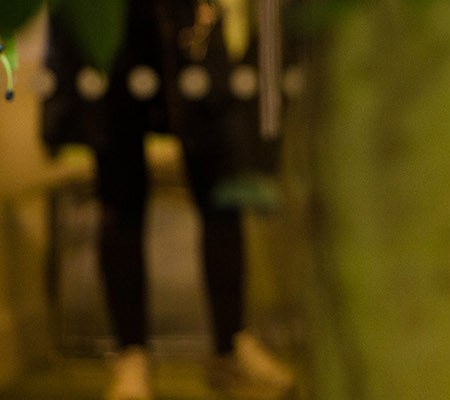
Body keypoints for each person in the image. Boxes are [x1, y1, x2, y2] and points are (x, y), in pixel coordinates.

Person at [41, 1, 293, 399]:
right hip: (115, 29)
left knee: (220, 192)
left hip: (191, 24)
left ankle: (230, 345)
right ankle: (131, 354)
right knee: (120, 196)